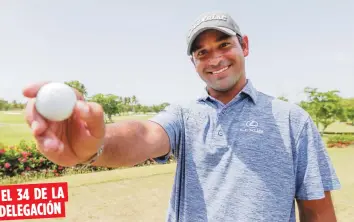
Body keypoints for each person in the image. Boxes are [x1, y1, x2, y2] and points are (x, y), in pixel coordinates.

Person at [23, 11, 341, 222]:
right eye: (202, 52)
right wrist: (95, 145)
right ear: (194, 62)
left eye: (224, 44)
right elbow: (144, 136)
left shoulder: (291, 119)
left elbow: (316, 209)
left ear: (244, 45)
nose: (214, 59)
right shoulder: (185, 115)